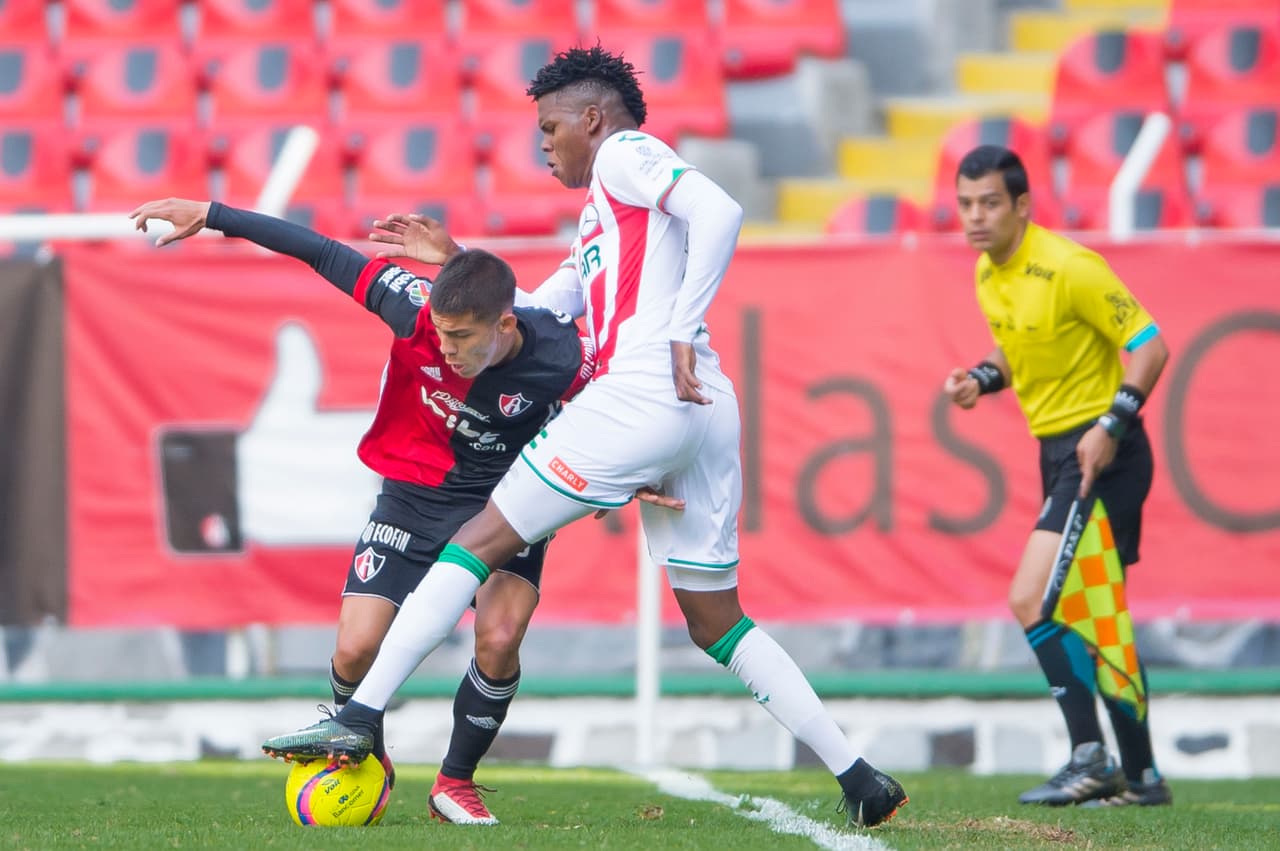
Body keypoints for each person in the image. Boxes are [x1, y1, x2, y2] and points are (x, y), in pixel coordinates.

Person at [261, 44, 908, 830]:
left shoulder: (626, 156)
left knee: (479, 536)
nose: (543, 144)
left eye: (550, 127)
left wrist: (676, 328)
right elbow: (531, 315)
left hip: (650, 388)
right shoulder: (603, 226)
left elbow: (721, 210)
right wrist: (458, 260)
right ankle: (860, 775)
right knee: (715, 619)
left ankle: (358, 717)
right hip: (701, 407)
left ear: (593, 120)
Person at [129, 197, 604, 825]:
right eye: (443, 333)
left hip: (508, 503)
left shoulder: (564, 356)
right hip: (411, 494)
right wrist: (214, 214)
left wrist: (636, 472)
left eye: (463, 338)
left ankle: (455, 784)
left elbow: (623, 413)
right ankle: (365, 754)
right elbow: (323, 251)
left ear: (506, 327)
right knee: (355, 651)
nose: (448, 348)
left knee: (499, 636)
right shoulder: (414, 308)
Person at [942, 145, 1172, 807]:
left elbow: (1149, 347)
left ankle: (1089, 756)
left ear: (1022, 206)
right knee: (1099, 615)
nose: (976, 216)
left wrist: (1111, 425)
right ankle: (1144, 778)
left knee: (1032, 598)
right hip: (1062, 453)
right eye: (965, 203)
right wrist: (980, 379)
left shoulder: (1071, 266)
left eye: (989, 202)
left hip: (1104, 453)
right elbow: (1018, 348)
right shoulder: (990, 272)